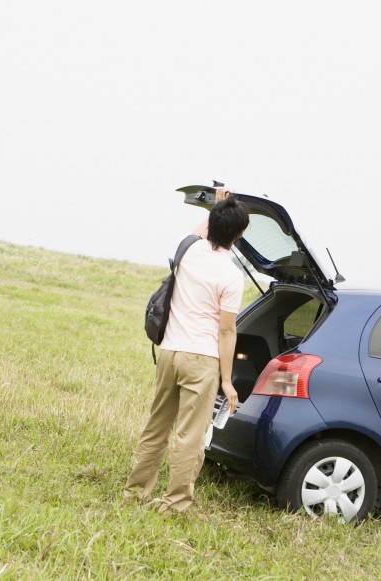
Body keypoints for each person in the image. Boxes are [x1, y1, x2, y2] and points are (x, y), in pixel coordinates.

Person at [123, 188, 249, 513]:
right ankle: (175, 503)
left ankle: (135, 494)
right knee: (189, 436)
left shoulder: (189, 249)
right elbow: (225, 330)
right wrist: (227, 381)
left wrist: (219, 204)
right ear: (240, 235)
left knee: (156, 427)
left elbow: (203, 228)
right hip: (201, 360)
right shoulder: (232, 277)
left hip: (169, 353)